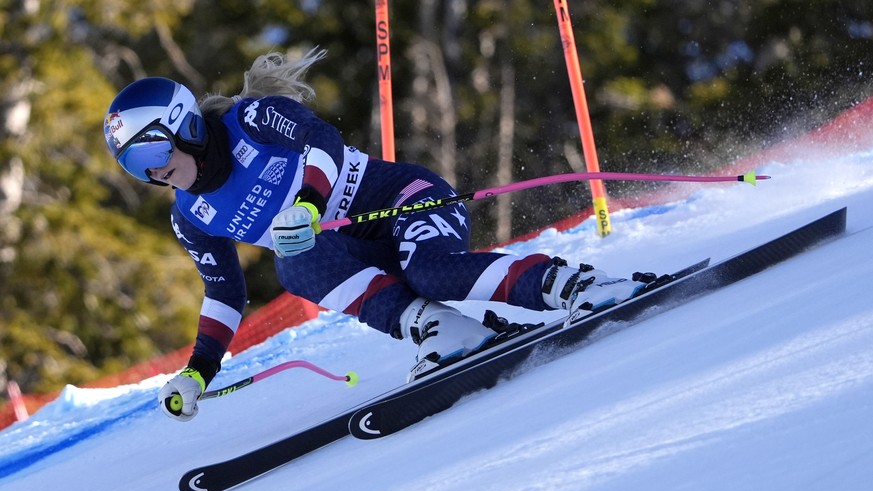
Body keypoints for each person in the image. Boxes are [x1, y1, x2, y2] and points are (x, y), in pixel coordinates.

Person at [103, 48, 653, 421]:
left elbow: (323, 143)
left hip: (401, 199)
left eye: (152, 152)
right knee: (293, 264)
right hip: (357, 251)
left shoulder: (251, 119)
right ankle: (443, 331)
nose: (152, 172)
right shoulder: (190, 214)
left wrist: (308, 203)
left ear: (186, 126)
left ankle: (578, 285)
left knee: (432, 270)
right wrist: (198, 372)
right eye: (134, 165)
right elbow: (225, 294)